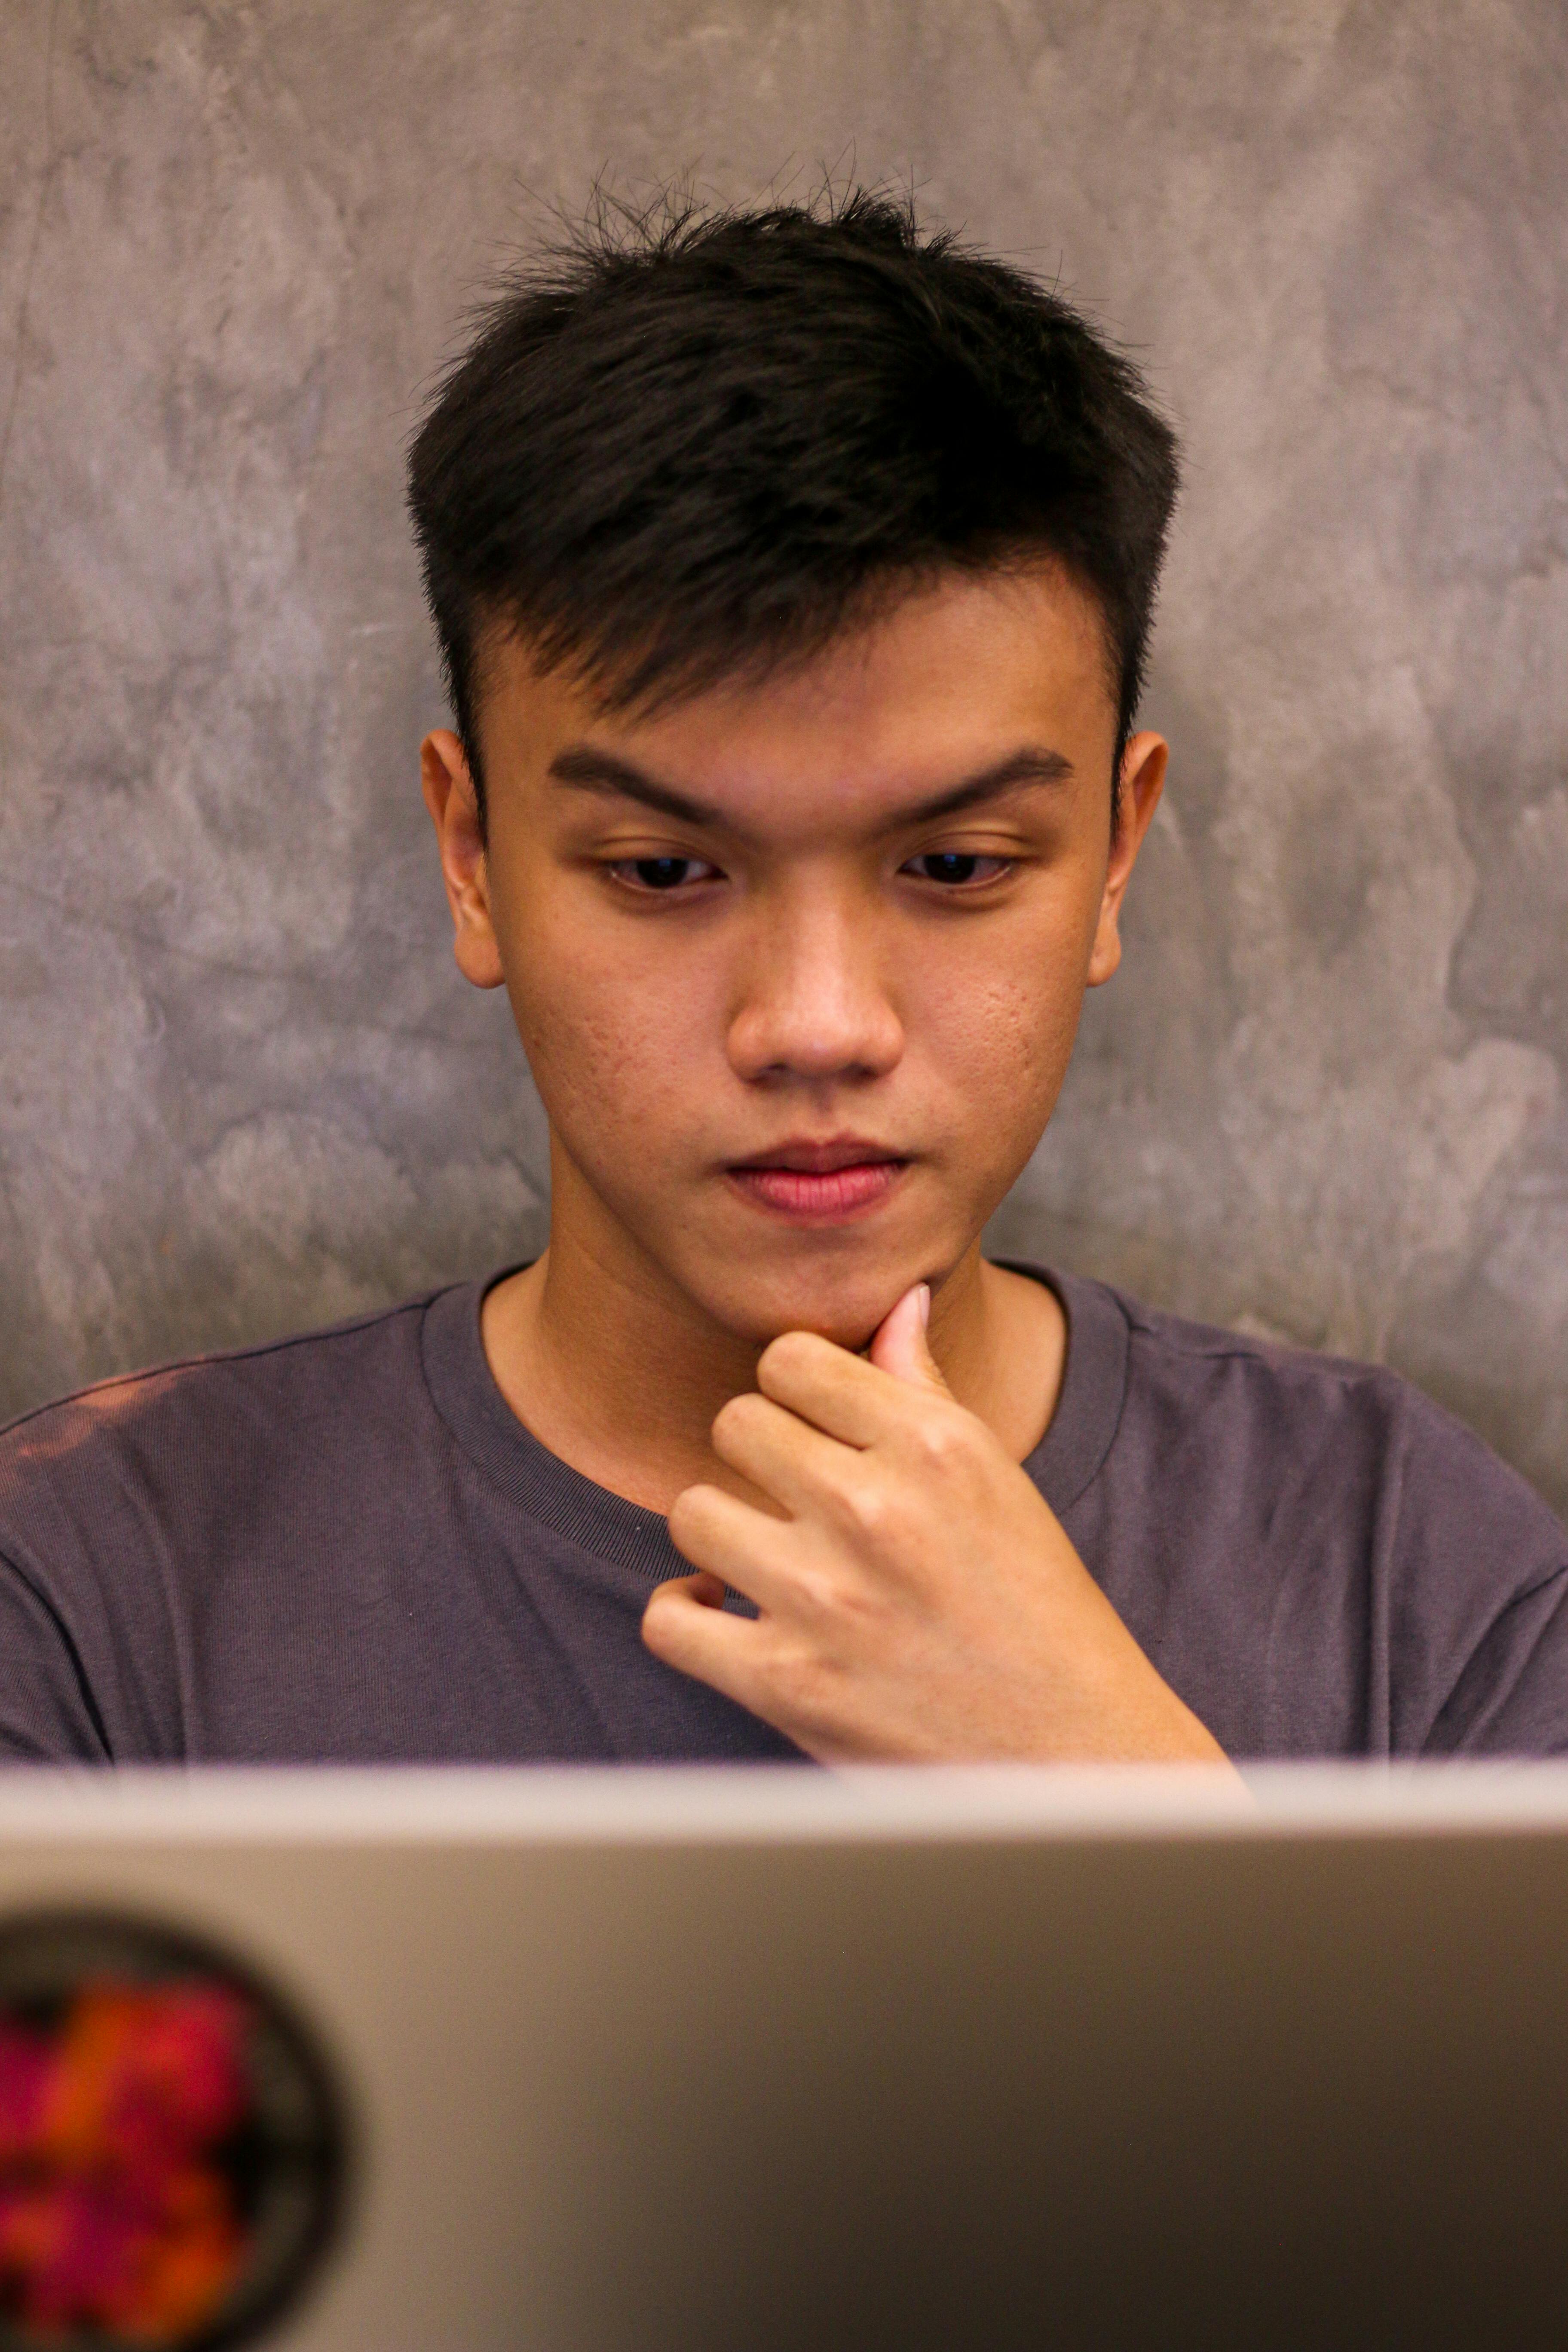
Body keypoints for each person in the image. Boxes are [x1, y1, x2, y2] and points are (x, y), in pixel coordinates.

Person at [0, 191, 1563, 1765]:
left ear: (1116, 849)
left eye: (955, 867)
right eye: (664, 872)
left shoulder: (1409, 1577)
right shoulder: (94, 1599)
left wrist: (1105, 1792)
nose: (818, 1027)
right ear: (472, 856)